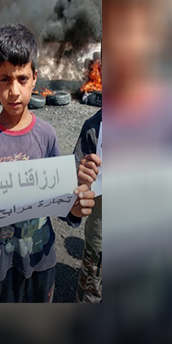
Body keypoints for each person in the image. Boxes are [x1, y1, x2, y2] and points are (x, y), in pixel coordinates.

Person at [0, 23, 96, 303]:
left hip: (43, 258)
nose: (14, 91)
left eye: (21, 78)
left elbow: (65, 202)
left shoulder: (47, 135)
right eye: (5, 79)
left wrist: (77, 208)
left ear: (35, 79)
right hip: (2, 264)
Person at [72, 111, 102, 303]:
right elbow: (73, 192)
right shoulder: (94, 127)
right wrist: (81, 177)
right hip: (100, 239)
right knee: (91, 294)